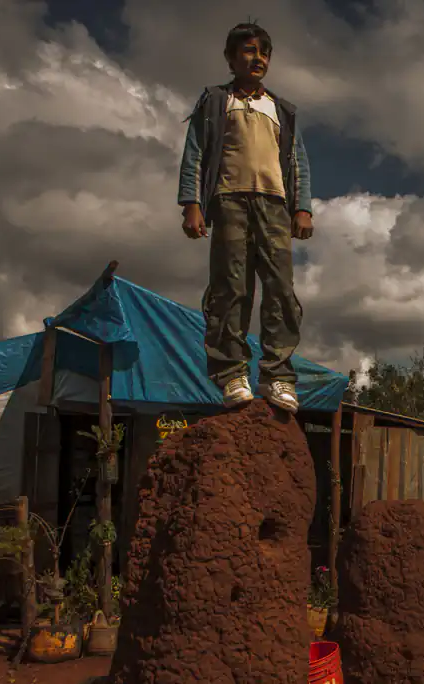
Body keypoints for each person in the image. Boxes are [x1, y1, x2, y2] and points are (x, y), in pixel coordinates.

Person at [177, 22, 314, 413]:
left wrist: (302, 207)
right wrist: (191, 203)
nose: (258, 59)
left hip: (275, 205)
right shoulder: (216, 102)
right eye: (250, 51)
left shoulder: (281, 110)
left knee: (280, 289)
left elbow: (298, 162)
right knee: (230, 286)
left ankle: (278, 375)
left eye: (264, 53)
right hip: (229, 201)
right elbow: (195, 153)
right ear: (231, 57)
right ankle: (231, 372)